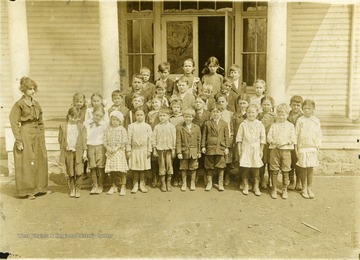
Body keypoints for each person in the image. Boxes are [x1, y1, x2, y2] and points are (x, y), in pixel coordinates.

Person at [9, 76, 50, 200]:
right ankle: (28, 190)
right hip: (25, 133)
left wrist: (41, 134)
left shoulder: (36, 104)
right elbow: (14, 122)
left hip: (37, 134)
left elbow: (41, 121)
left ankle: (40, 188)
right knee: (27, 161)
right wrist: (19, 140)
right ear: (24, 90)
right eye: (30, 89)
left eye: (34, 89)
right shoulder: (19, 104)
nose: (32, 91)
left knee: (40, 159)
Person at [236, 104, 266, 196]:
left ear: (257, 113)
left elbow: (262, 139)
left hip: (256, 148)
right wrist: (239, 151)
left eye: (253, 112)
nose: (251, 114)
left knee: (255, 167)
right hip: (246, 147)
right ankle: (246, 184)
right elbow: (239, 139)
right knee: (245, 167)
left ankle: (256, 186)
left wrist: (261, 150)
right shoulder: (243, 124)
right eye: (249, 112)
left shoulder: (260, 124)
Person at [267, 103, 296, 199]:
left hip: (286, 151)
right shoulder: (274, 125)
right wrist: (273, 141)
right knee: (274, 169)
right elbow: (269, 137)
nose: (281, 116)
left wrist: (284, 143)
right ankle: (274, 188)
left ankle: (284, 189)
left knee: (285, 170)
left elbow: (293, 138)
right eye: (279, 114)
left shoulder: (290, 126)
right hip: (275, 150)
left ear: (287, 114)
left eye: (283, 114)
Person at [295, 99, 322, 199]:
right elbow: (296, 134)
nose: (307, 110)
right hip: (302, 146)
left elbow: (319, 134)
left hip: (312, 147)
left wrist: (318, 146)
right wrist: (296, 147)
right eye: (305, 108)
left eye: (309, 108)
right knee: (303, 167)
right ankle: (304, 188)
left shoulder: (316, 120)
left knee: (310, 168)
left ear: (313, 109)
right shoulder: (300, 120)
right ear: (302, 109)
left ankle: (310, 188)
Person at [58, 107, 87, 198]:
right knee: (70, 171)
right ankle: (72, 188)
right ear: (68, 115)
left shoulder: (82, 127)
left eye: (76, 117)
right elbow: (60, 139)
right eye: (72, 116)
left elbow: (84, 140)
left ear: (79, 118)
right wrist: (63, 149)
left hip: (78, 152)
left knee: (79, 171)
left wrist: (85, 152)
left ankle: (78, 188)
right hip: (68, 152)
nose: (74, 119)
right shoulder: (63, 126)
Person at [201, 106, 231, 192]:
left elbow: (226, 136)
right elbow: (204, 136)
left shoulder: (224, 123)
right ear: (211, 113)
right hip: (210, 146)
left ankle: (220, 182)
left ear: (221, 113)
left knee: (220, 165)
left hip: (220, 147)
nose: (215, 114)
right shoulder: (207, 123)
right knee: (209, 165)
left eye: (217, 112)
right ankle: (209, 182)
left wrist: (227, 147)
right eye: (213, 112)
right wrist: (203, 146)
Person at [103, 111, 130, 196]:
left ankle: (123, 186)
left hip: (119, 152)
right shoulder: (108, 129)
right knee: (112, 170)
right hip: (110, 152)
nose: (114, 122)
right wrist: (108, 148)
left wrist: (116, 148)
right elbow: (104, 140)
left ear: (120, 121)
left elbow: (124, 140)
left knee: (121, 170)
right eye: (113, 120)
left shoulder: (122, 129)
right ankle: (113, 185)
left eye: (117, 120)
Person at [128, 108, 153, 194]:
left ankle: (142, 184)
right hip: (135, 150)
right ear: (134, 116)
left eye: (141, 115)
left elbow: (150, 139)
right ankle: (135, 184)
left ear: (144, 115)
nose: (139, 117)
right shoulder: (131, 126)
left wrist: (149, 150)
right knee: (135, 168)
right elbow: (128, 139)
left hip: (144, 150)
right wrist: (128, 150)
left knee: (143, 168)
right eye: (137, 115)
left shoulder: (147, 126)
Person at [176, 108, 201, 191]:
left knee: (193, 167)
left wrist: (199, 151)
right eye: (186, 117)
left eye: (190, 117)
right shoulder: (180, 128)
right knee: (184, 167)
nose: (188, 119)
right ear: (183, 117)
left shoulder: (196, 127)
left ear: (193, 117)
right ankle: (184, 183)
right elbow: (178, 141)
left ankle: (192, 183)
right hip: (184, 151)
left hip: (194, 151)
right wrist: (179, 152)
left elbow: (199, 140)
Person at [152, 107, 177, 192]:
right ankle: (163, 183)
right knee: (162, 166)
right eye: (160, 116)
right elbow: (154, 139)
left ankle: (168, 182)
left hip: (169, 150)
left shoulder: (171, 127)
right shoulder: (157, 127)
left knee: (169, 166)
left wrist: (174, 149)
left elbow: (174, 139)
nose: (162, 117)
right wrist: (154, 149)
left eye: (164, 116)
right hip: (160, 150)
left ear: (169, 116)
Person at [86, 106, 107, 194]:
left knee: (100, 166)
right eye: (96, 115)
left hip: (100, 146)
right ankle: (94, 185)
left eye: (100, 116)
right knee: (92, 166)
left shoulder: (104, 125)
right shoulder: (87, 123)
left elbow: (105, 137)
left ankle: (101, 184)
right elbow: (85, 135)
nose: (98, 118)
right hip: (90, 146)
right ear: (92, 113)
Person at [257, 96, 276, 189]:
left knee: (270, 161)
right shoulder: (258, 116)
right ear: (261, 105)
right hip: (261, 142)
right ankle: (262, 179)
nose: (266, 106)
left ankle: (271, 179)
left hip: (271, 143)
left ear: (272, 105)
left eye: (268, 104)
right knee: (262, 161)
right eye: (264, 104)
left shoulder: (274, 116)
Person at [287, 95, 304, 190]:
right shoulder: (287, 115)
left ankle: (298, 181)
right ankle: (291, 180)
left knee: (297, 162)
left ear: (301, 105)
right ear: (290, 105)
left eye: (298, 105)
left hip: (298, 142)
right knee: (289, 162)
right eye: (294, 105)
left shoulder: (302, 116)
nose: (296, 107)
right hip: (289, 142)